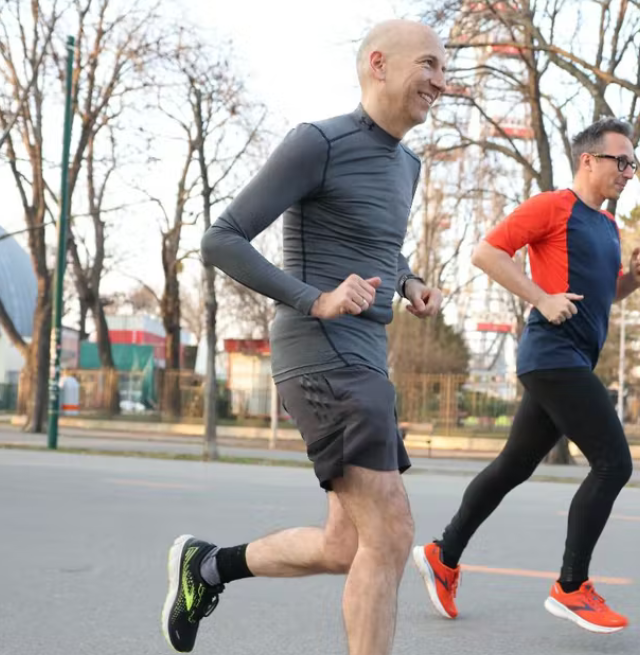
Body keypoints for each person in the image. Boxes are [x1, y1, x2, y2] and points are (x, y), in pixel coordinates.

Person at [162, 19, 447, 655]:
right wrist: (313, 298)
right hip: (323, 357)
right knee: (393, 533)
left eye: (444, 69)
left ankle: (208, 568)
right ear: (379, 63)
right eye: (428, 65)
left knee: (346, 544)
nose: (440, 82)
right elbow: (222, 237)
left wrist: (409, 282)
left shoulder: (407, 164)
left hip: (366, 357)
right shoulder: (318, 141)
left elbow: (377, 244)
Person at [410, 118, 640, 634]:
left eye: (633, 163)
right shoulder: (552, 206)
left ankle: (442, 554)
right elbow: (485, 252)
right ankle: (571, 587)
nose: (629, 172)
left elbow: (601, 298)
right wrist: (540, 298)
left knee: (513, 465)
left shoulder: (608, 227)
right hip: (551, 356)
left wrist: (630, 280)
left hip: (568, 361)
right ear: (589, 160)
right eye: (622, 161)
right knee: (613, 463)